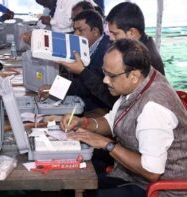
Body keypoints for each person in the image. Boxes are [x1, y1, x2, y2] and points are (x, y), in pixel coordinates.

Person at [60, 39, 187, 197]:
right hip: (135, 178)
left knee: (83, 191)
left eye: (111, 76)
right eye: (104, 73)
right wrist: (84, 122)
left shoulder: (153, 108)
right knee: (73, 185)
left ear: (134, 75)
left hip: (161, 190)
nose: (105, 80)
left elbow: (151, 171)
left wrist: (106, 144)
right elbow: (112, 120)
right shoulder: (139, 81)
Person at [106, 2, 165, 75]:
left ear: (132, 33)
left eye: (115, 34)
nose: (111, 38)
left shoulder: (145, 60)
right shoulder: (138, 47)